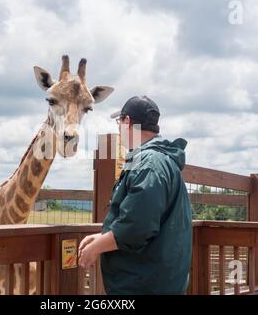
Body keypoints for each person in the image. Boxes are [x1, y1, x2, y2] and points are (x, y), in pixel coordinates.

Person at [78, 95, 192, 295]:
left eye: (119, 122)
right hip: (158, 281)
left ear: (127, 122)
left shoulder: (148, 164)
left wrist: (95, 249)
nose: (118, 128)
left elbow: (136, 228)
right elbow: (141, 219)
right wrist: (101, 237)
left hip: (143, 285)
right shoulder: (161, 159)